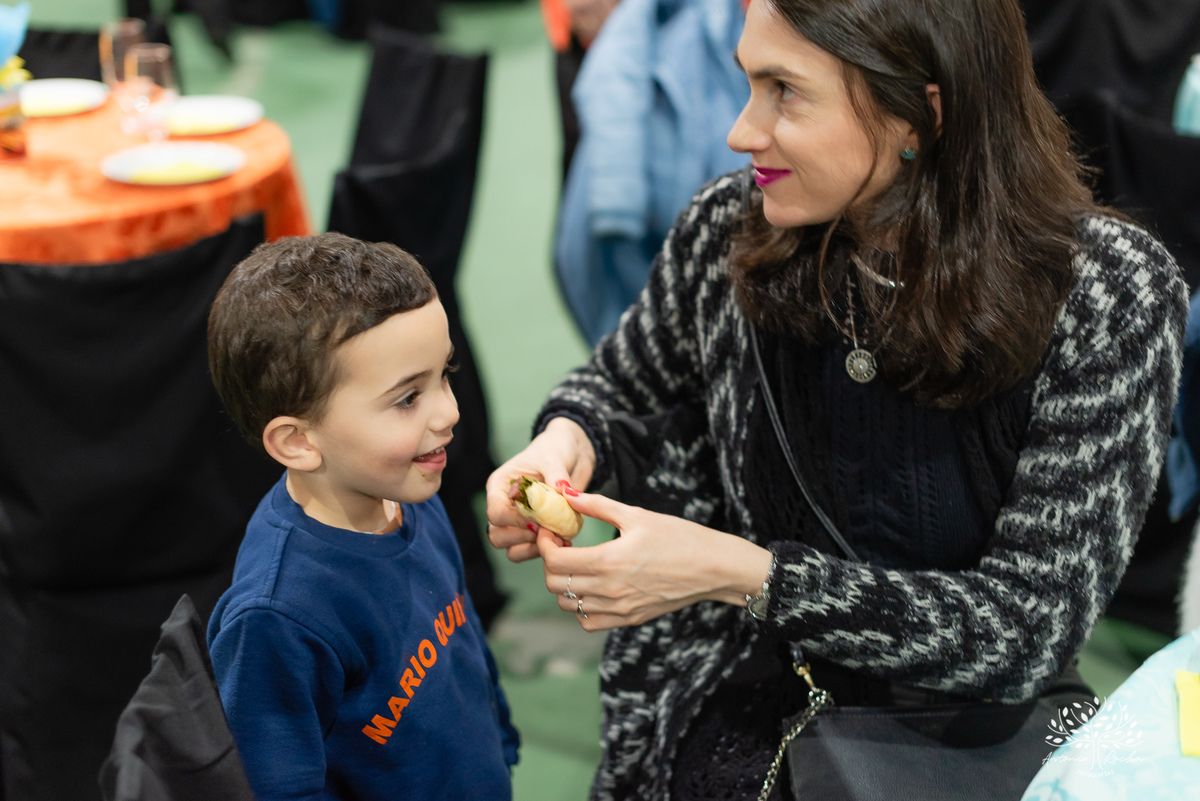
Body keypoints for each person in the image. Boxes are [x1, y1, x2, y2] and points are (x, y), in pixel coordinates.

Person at [485, 0, 1188, 798]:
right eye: (748, 83)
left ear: (922, 113)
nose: (740, 132)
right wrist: (567, 437)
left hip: (974, 736)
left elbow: (1024, 628)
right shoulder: (727, 228)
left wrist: (744, 574)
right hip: (744, 696)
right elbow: (622, 383)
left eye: (784, 91)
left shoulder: (1107, 293)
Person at [206, 233, 519, 800]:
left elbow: (462, 640)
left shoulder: (410, 492)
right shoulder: (278, 615)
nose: (449, 412)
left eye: (444, 374)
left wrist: (500, 738)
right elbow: (280, 785)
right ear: (299, 441)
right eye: (407, 398)